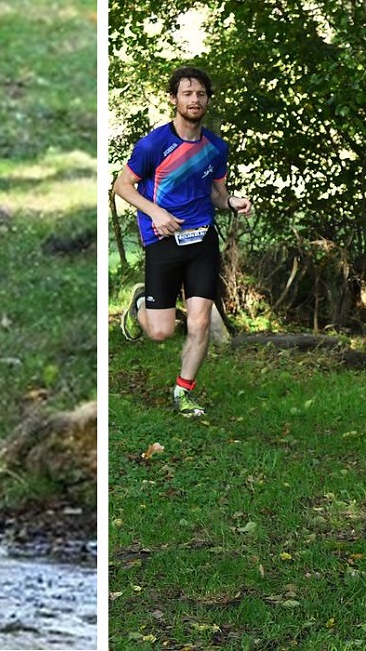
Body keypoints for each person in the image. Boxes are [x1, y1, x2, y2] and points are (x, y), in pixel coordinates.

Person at [112, 66, 254, 418]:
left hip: (202, 239)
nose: (195, 99)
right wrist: (156, 213)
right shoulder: (154, 144)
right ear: (174, 99)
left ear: (207, 99)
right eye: (187, 93)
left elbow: (217, 195)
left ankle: (184, 392)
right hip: (163, 239)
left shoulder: (216, 148)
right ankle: (143, 301)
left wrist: (232, 202)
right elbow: (122, 186)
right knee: (160, 332)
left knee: (200, 321)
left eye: (201, 94)